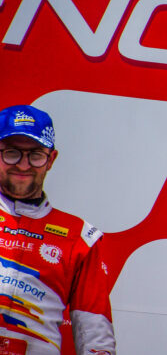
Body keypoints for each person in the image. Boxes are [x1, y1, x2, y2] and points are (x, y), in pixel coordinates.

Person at [0, 105, 116, 354]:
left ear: (51, 160)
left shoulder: (80, 237)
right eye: (11, 153)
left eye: (35, 155)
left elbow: (95, 334)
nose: (23, 165)